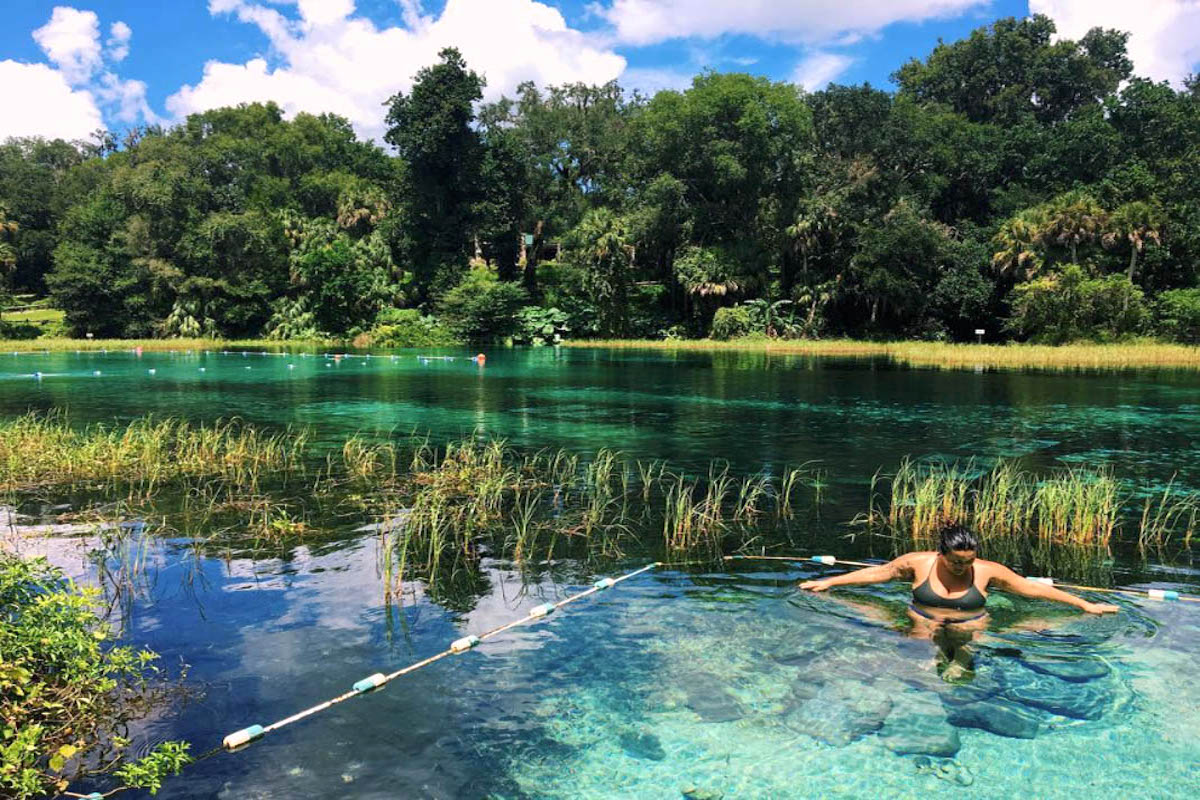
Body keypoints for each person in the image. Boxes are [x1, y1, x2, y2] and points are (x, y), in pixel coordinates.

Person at [799, 523, 1119, 678]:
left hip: (973, 622)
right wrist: (829, 582)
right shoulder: (917, 563)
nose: (963, 567)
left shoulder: (988, 571)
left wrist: (1085, 605)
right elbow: (877, 574)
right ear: (941, 553)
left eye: (969, 561)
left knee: (977, 645)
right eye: (956, 561)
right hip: (923, 619)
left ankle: (962, 666)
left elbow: (1033, 590)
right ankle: (929, 669)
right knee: (918, 641)